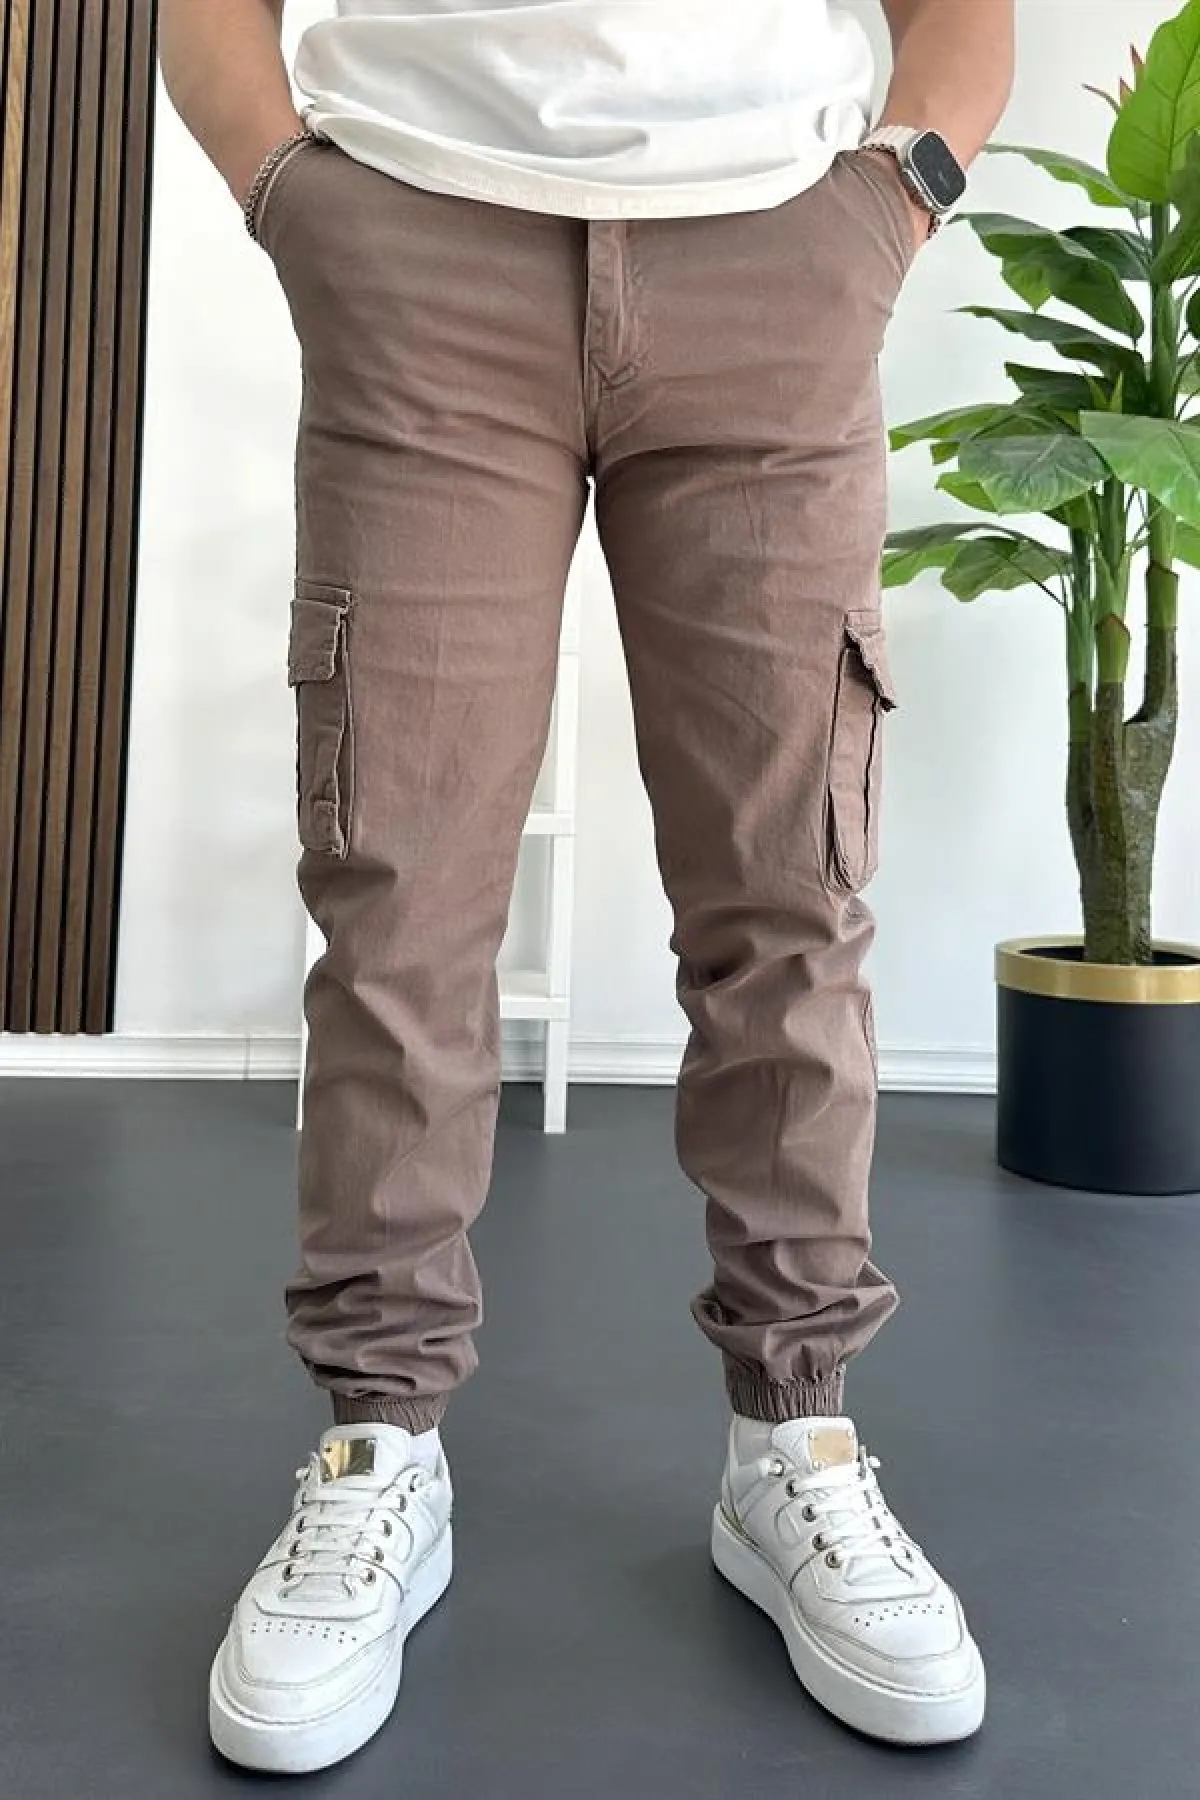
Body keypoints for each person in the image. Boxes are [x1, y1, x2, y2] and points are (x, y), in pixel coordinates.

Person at [159, 0, 1014, 1773]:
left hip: (778, 247)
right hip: (418, 238)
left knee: (787, 895)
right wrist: (289, 193)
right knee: (400, 898)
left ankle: (796, 1437)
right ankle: (378, 1444)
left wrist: (899, 190)